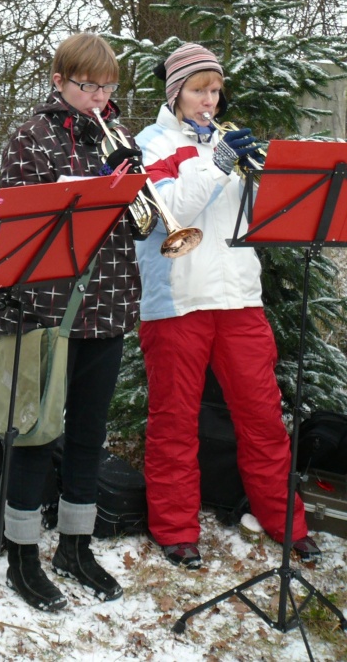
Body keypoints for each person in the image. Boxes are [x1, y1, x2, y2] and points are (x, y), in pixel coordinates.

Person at [134, 42, 320, 569]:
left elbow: (263, 220)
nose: (209, 100)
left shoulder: (226, 140)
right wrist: (218, 165)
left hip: (239, 297)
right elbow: (171, 209)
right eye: (198, 90)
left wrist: (262, 176)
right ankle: (174, 530)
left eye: (215, 90)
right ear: (175, 93)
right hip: (178, 299)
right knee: (175, 420)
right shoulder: (150, 143)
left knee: (263, 416)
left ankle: (286, 522)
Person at [0, 32, 152, 612]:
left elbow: (142, 225)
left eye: (109, 87)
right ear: (59, 81)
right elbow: (17, 225)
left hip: (108, 302)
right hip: (45, 307)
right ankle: (22, 555)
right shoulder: (29, 137)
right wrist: (91, 190)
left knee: (88, 433)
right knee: (36, 433)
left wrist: (132, 180)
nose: (100, 98)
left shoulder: (121, 136)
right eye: (89, 86)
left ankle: (76, 546)